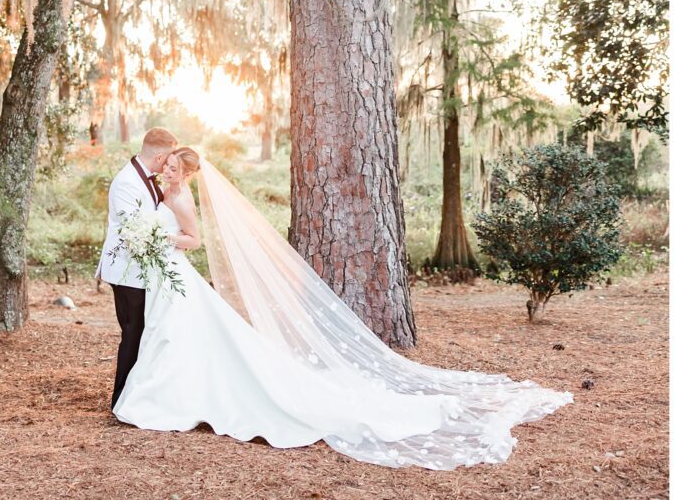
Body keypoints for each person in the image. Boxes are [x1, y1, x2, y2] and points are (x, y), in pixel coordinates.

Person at [109, 146, 575, 471]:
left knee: (186, 336)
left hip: (174, 275)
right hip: (166, 280)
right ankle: (169, 394)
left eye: (171, 167)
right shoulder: (160, 193)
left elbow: (191, 239)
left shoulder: (182, 197)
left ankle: (173, 398)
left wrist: (162, 238)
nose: (166, 171)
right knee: (174, 337)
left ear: (184, 173)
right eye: (166, 165)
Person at [95, 127, 178, 410]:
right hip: (126, 271)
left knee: (144, 332)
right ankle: (121, 400)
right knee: (133, 331)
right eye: (167, 159)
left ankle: (138, 396)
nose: (168, 164)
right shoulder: (127, 182)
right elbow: (133, 231)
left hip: (144, 269)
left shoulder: (147, 178)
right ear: (157, 155)